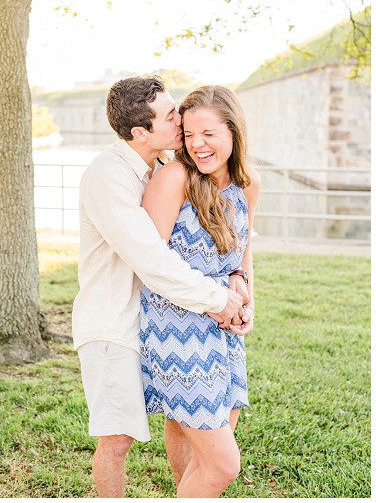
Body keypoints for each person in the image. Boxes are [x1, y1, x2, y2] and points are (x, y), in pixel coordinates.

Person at [72, 75, 251, 497]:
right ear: (140, 132)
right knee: (117, 441)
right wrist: (218, 299)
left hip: (157, 315)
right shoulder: (109, 175)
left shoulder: (158, 169)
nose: (181, 123)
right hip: (112, 324)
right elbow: (150, 258)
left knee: (180, 421)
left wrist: (237, 280)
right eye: (172, 117)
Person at [140, 85, 260, 497]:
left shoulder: (248, 184)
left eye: (208, 133)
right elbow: (150, 262)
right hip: (176, 328)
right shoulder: (174, 177)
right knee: (223, 464)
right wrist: (214, 299)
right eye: (189, 134)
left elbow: (243, 252)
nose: (197, 144)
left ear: (233, 130)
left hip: (225, 331)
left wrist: (244, 292)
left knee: (197, 447)